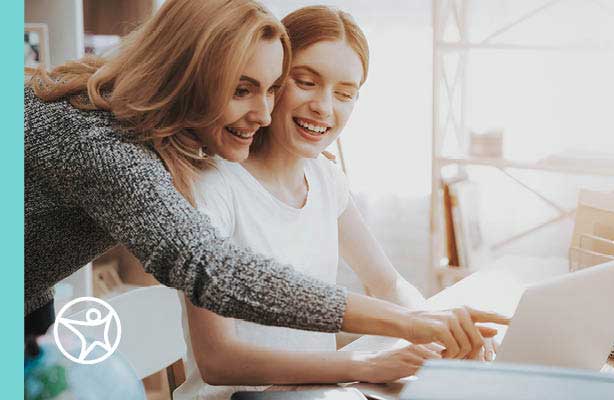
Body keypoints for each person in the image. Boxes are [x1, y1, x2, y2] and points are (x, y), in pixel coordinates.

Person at [24, 0, 507, 358]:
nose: (263, 112)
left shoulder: (149, 130)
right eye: (241, 89)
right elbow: (213, 271)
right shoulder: (103, 143)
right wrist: (408, 324)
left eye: (272, 88)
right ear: (187, 75)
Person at [175, 7, 483, 398]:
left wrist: (441, 329)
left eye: (344, 93)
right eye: (306, 82)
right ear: (273, 81)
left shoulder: (324, 178)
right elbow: (219, 360)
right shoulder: (214, 187)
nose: (324, 107)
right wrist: (363, 365)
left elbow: (386, 282)